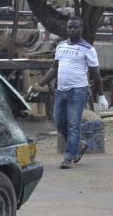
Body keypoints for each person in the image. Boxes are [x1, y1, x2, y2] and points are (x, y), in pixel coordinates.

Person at [34, 16, 108, 169]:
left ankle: (69, 157)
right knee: (58, 121)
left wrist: (100, 95)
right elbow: (54, 68)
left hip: (78, 91)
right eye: (69, 27)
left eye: (75, 27)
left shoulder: (88, 48)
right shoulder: (61, 46)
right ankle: (78, 145)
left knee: (73, 124)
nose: (72, 30)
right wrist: (39, 83)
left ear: (81, 29)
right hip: (62, 90)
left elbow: (96, 74)